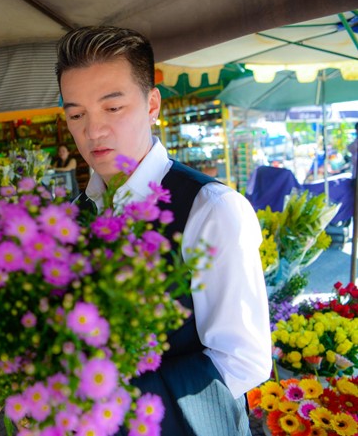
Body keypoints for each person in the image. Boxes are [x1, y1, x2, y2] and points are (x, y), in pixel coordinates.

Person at [56, 26, 271, 435]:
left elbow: (244, 359)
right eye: (76, 114)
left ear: (152, 103)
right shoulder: (74, 214)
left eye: (112, 108)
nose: (93, 130)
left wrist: (112, 405)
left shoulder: (211, 209)